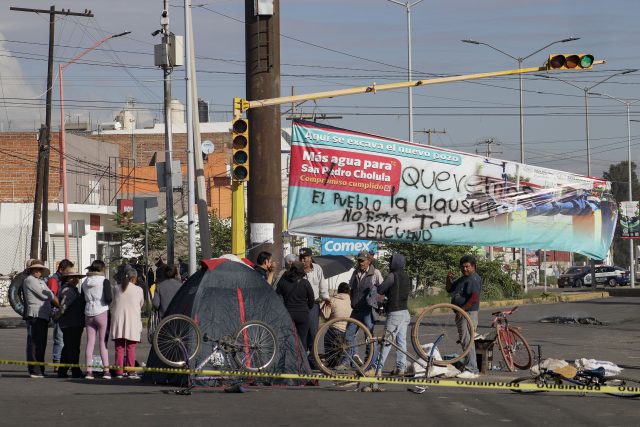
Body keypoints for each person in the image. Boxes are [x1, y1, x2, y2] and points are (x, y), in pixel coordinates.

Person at [346, 249, 383, 373]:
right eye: (359, 261)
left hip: (368, 310)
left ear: (368, 261)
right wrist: (352, 300)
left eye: (362, 261)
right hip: (356, 309)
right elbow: (351, 287)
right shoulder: (355, 272)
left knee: (370, 337)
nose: (360, 263)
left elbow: (382, 290)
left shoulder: (375, 273)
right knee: (349, 334)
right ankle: (354, 356)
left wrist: (377, 300)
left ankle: (370, 362)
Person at [373, 252, 411, 376]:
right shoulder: (406, 276)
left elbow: (381, 289)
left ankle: (377, 368)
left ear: (395, 263)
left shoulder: (392, 275)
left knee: (386, 340)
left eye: (391, 262)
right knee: (401, 341)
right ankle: (401, 367)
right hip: (405, 312)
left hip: (395, 312)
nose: (389, 264)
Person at [446, 254, 482, 379]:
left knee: (468, 342)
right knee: (465, 341)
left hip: (469, 313)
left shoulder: (474, 279)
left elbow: (474, 298)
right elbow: (449, 289)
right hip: (461, 313)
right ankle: (469, 366)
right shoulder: (463, 279)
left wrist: (462, 310)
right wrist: (448, 278)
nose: (464, 269)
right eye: (462, 267)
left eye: (467, 266)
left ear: (473, 267)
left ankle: (472, 369)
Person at [22, 261, 58, 378]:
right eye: (35, 269)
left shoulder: (41, 281)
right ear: (31, 270)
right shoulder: (30, 280)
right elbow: (45, 295)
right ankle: (34, 370)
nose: (38, 272)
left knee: (41, 343)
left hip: (42, 315)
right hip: (35, 315)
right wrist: (51, 295)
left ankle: (40, 369)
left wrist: (50, 295)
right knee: (35, 343)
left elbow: (49, 294)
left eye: (40, 270)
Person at [110, 268, 144, 379]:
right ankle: (131, 371)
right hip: (132, 321)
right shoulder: (139, 290)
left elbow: (113, 304)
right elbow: (141, 304)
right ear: (134, 278)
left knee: (119, 348)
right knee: (131, 347)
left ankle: (119, 372)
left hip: (118, 321)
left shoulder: (116, 288)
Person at [82, 259, 112, 380]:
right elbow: (109, 298)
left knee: (90, 343)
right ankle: (106, 371)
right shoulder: (104, 281)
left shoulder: (85, 282)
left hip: (88, 312)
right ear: (101, 269)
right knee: (102, 343)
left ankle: (89, 372)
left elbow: (82, 297)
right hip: (102, 311)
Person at [276, 261, 315, 349]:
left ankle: (289, 360)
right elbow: (311, 301)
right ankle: (303, 361)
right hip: (303, 315)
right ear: (301, 270)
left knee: (288, 340)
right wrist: (306, 308)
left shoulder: (283, 282)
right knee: (302, 340)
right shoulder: (305, 283)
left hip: (288, 314)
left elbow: (277, 295)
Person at [299, 247, 330, 355]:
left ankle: (312, 356)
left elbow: (322, 285)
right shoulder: (297, 270)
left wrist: (326, 298)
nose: (303, 260)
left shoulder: (317, 268)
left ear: (310, 257)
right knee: (302, 332)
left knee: (313, 332)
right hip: (300, 305)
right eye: (301, 258)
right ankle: (303, 356)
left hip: (314, 305)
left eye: (305, 258)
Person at [56, 271, 86, 378]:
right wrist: (58, 315)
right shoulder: (68, 290)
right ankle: (75, 370)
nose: (75, 279)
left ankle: (63, 370)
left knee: (68, 347)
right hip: (70, 323)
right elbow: (63, 306)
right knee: (72, 348)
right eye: (72, 278)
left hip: (73, 322)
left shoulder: (72, 290)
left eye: (77, 277)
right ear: (67, 279)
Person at [47, 259, 74, 371]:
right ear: (61, 269)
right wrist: (61, 306)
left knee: (66, 339)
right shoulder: (54, 279)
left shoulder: (64, 279)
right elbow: (52, 296)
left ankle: (64, 362)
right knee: (59, 338)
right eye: (68, 271)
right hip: (57, 311)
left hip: (65, 311)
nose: (69, 274)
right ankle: (57, 362)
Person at [322, 282, 352, 367]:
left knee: (326, 338)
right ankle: (346, 361)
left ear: (338, 290)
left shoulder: (332, 299)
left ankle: (328, 359)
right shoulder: (351, 300)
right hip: (347, 330)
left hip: (334, 329)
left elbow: (326, 315)